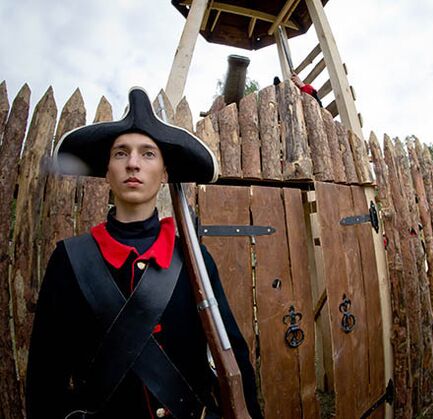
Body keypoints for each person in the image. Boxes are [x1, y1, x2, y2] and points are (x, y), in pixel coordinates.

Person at [26, 87, 262, 419]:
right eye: (121, 153)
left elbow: (233, 353)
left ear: (165, 174)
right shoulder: (69, 260)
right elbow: (44, 378)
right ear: (107, 172)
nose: (133, 163)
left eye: (148, 153)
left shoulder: (195, 260)